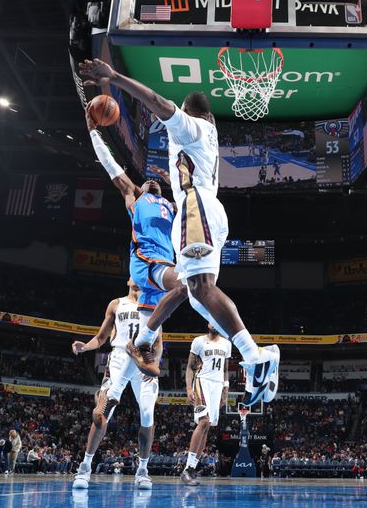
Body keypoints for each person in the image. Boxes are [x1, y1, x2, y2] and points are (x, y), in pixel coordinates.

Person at [79, 58, 279, 407]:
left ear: (189, 113)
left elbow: (157, 101)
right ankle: (148, 339)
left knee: (200, 289)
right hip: (203, 210)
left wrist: (114, 78)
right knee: (198, 290)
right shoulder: (204, 137)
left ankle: (253, 355)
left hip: (194, 210)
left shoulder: (188, 126)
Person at [86, 109, 188, 376]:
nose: (150, 181)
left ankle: (141, 353)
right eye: (146, 181)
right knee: (187, 284)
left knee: (154, 322)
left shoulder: (172, 205)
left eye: (155, 181)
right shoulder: (135, 197)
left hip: (164, 264)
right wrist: (95, 133)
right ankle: (142, 344)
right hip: (147, 262)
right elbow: (113, 168)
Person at [70, 280, 160, 490]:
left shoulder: (154, 304)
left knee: (148, 414)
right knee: (102, 415)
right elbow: (101, 338)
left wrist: (152, 364)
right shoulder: (116, 304)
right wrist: (85, 347)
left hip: (143, 360)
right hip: (120, 357)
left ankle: (143, 470)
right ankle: (85, 467)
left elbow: (158, 343)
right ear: (128, 280)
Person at [181, 324, 231, 486]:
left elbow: (225, 369)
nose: (215, 323)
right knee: (203, 422)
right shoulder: (198, 341)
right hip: (201, 382)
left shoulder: (226, 343)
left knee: (207, 426)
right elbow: (190, 367)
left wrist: (225, 390)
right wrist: (189, 387)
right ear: (207, 323)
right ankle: (187, 469)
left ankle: (192, 468)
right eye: (211, 321)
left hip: (217, 386)